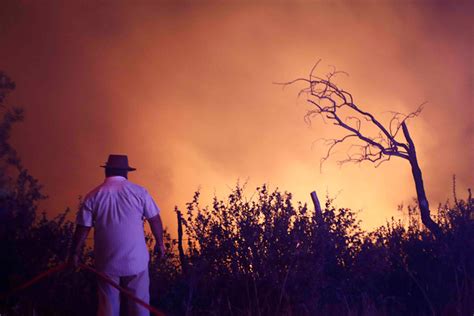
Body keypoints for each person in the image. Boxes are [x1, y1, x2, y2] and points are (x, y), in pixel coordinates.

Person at [68, 154, 165, 316]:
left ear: (107, 171)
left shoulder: (93, 196)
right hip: (136, 262)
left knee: (108, 309)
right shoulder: (140, 192)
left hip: (107, 264)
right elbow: (155, 219)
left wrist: (75, 253)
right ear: (126, 172)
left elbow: (83, 228)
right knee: (139, 308)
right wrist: (160, 243)